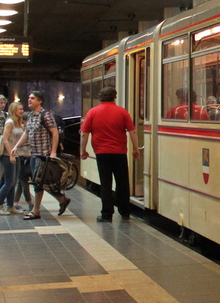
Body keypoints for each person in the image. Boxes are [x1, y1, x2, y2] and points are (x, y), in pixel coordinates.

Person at [81, 86, 139, 222]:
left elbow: (84, 134)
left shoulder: (92, 112)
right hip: (119, 152)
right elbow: (133, 132)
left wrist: (83, 150)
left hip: (101, 153)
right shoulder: (122, 112)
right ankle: (125, 212)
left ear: (100, 98)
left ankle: (106, 214)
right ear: (114, 97)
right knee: (122, 182)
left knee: (105, 183)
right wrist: (136, 148)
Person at [9, 90, 70, 220]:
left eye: (32, 98)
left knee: (39, 183)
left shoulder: (45, 115)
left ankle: (36, 211)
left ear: (39, 101)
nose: (29, 100)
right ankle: (62, 200)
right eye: (29, 98)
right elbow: (26, 133)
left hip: (43, 155)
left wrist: (53, 152)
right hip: (33, 154)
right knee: (41, 182)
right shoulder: (30, 116)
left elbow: (55, 133)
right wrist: (16, 146)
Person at [0, 102, 25, 215]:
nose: (22, 111)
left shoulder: (18, 123)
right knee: (9, 182)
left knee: (14, 182)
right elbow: (5, 139)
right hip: (7, 155)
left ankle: (10, 206)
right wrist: (11, 154)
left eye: (22, 109)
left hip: (17, 154)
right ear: (14, 110)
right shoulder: (10, 122)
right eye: (20, 109)